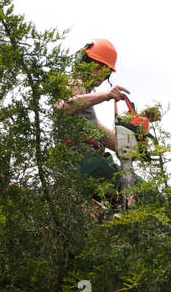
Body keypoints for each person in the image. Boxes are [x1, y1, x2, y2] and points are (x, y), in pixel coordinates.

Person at [55, 38, 131, 198]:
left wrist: (141, 127)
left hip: (85, 163)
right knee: (143, 192)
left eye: (105, 69)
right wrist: (105, 95)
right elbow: (63, 107)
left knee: (119, 201)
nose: (100, 73)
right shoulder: (75, 82)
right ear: (83, 61)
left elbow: (113, 141)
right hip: (82, 160)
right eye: (96, 66)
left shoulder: (87, 110)